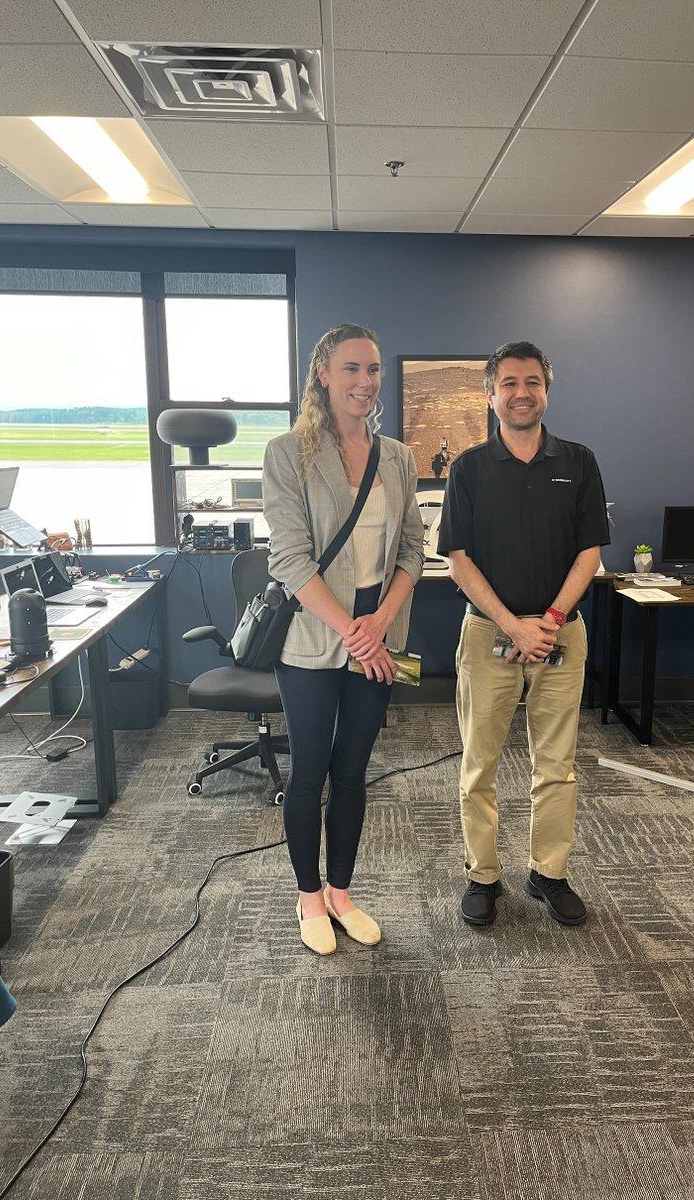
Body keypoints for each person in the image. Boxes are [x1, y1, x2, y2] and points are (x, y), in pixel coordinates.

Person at [263, 324, 424, 955]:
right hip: (314, 634)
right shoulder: (288, 453)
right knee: (309, 770)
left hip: (380, 634)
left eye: (373, 369)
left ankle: (341, 892)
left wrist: (379, 622)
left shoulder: (399, 457)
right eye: (352, 368)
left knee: (353, 769)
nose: (365, 381)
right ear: (323, 374)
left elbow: (411, 549)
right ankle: (308, 896)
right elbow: (290, 558)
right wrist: (354, 632)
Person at [438, 340, 609, 928]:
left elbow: (590, 553)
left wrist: (550, 622)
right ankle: (483, 876)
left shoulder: (579, 462)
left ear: (546, 392)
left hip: (562, 635)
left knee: (557, 765)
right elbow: (458, 561)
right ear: (491, 395)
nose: (521, 393)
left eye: (532, 382)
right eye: (508, 383)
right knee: (479, 764)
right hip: (489, 635)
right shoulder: (468, 468)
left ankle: (549, 872)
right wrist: (515, 627)